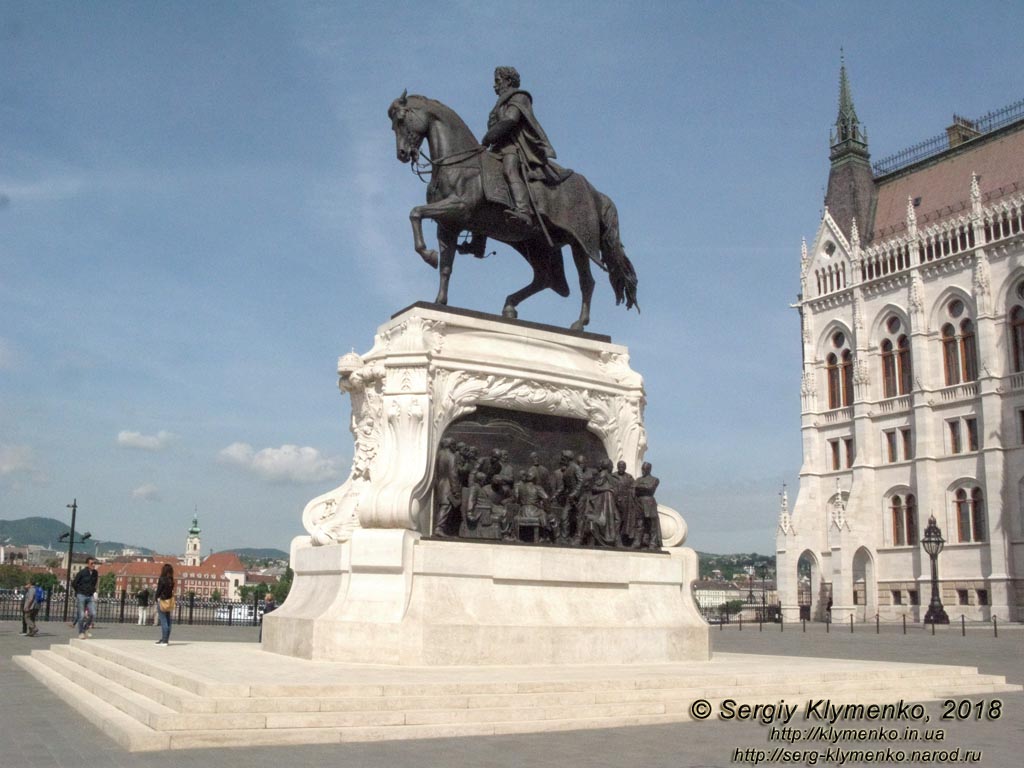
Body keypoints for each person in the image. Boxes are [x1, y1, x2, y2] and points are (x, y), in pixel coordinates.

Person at [481, 66, 566, 224]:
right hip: (497, 148)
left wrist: (487, 138)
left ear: (508, 81)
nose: (494, 85)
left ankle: (523, 210)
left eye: (497, 81)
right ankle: (478, 240)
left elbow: (511, 119)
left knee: (509, 170)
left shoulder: (519, 97)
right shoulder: (500, 103)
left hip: (514, 147)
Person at [71, 557, 99, 639]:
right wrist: (78, 591)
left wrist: (93, 590)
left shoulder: (95, 573)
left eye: (94, 563)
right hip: (81, 595)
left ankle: (86, 628)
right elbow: (74, 583)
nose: (93, 565)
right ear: (88, 564)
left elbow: (94, 583)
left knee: (93, 613)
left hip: (90, 595)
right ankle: (81, 632)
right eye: (92, 563)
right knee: (82, 615)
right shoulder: (82, 573)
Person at [154, 563, 175, 646]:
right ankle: (165, 639)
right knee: (168, 620)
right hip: (169, 601)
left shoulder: (162, 579)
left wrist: (156, 597)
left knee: (163, 621)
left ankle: (164, 641)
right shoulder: (171, 580)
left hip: (162, 601)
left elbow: (159, 590)